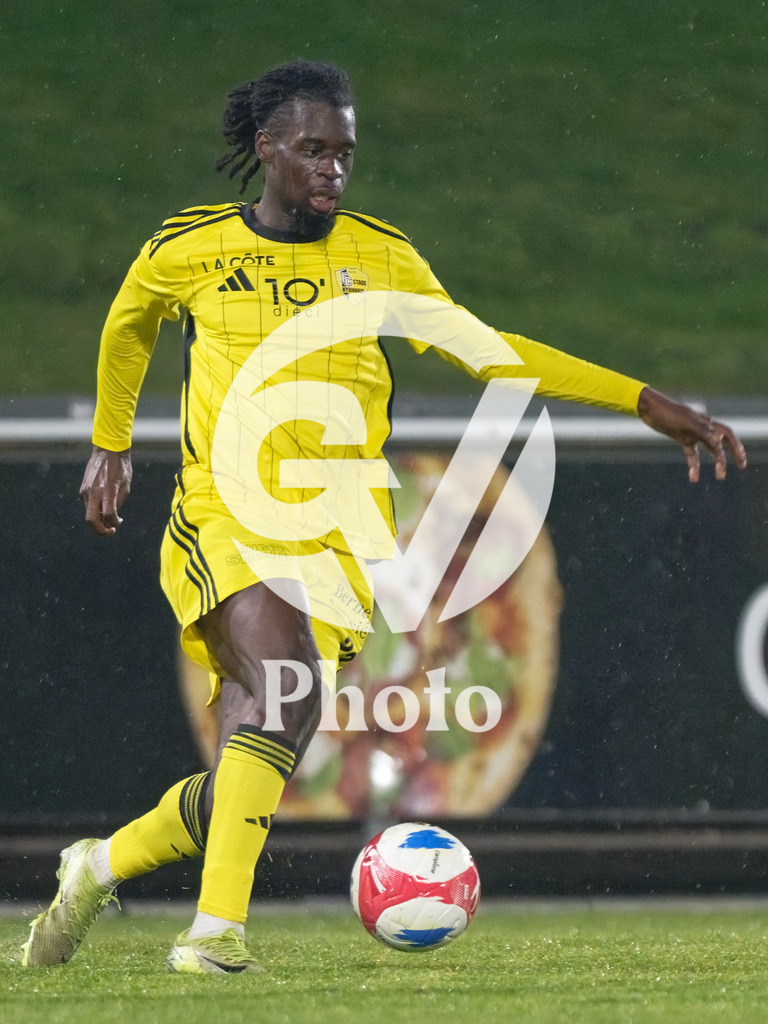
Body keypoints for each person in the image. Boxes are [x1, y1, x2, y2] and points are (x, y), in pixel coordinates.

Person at [21, 58, 746, 975]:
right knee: (281, 689)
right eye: (314, 151)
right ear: (267, 149)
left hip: (333, 540)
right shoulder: (188, 247)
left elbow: (492, 353)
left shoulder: (380, 256)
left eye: (346, 154)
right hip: (223, 516)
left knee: (266, 732)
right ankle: (213, 938)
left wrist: (640, 399)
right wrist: (110, 442)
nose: (333, 170)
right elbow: (129, 322)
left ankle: (100, 864)